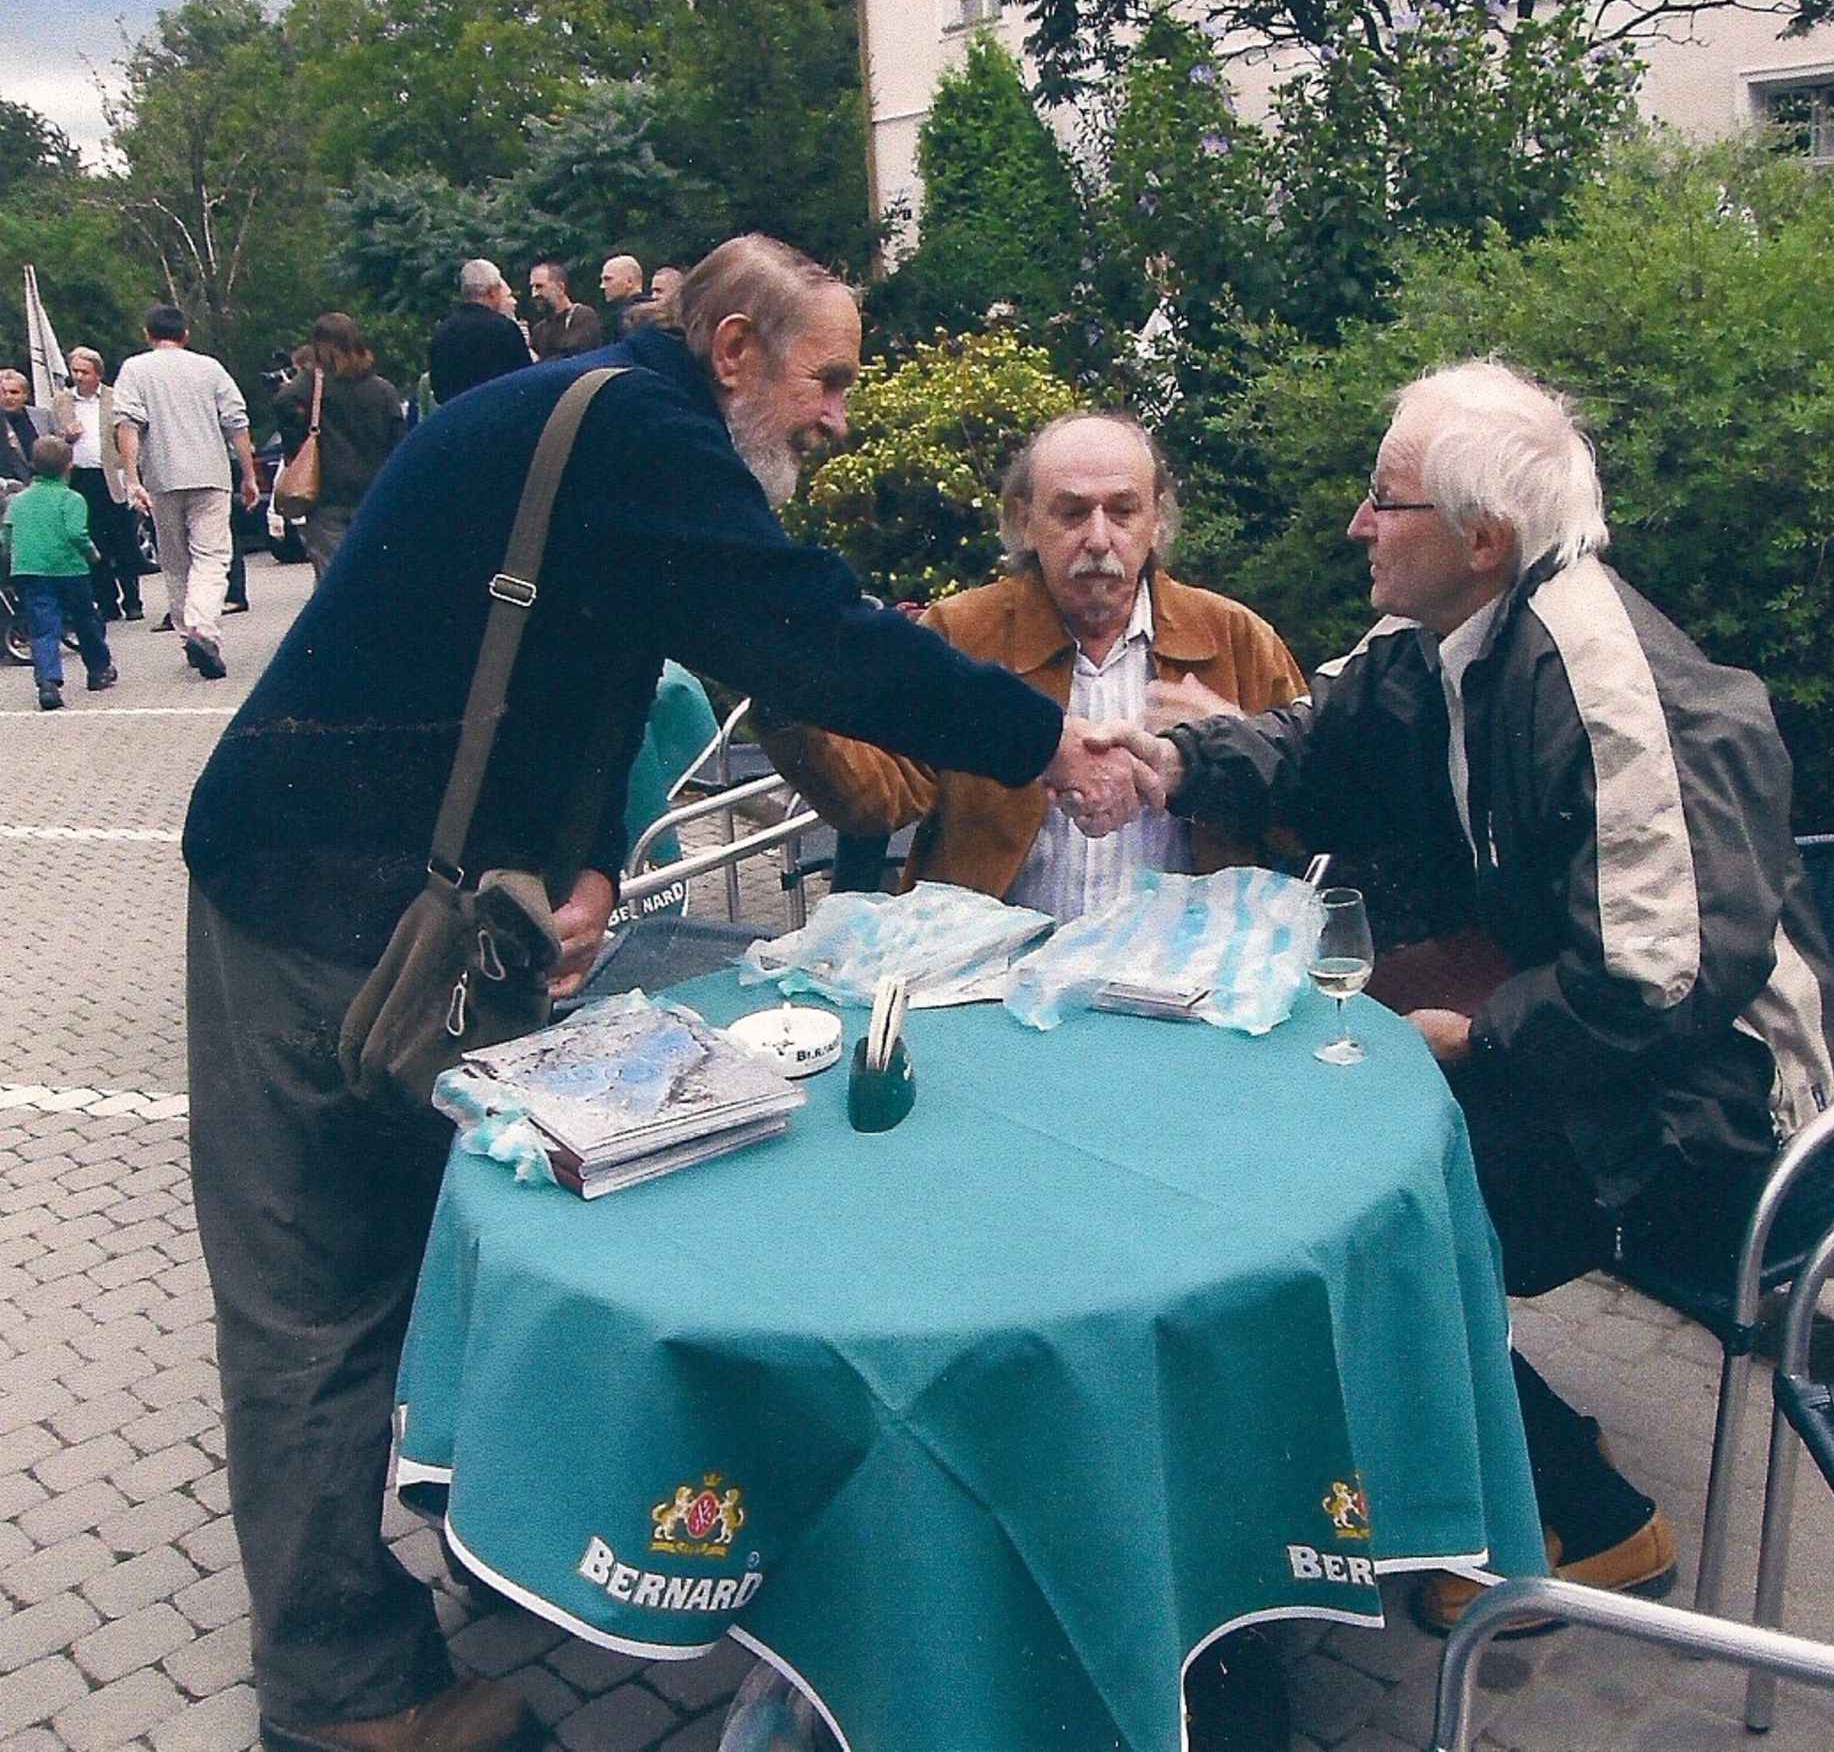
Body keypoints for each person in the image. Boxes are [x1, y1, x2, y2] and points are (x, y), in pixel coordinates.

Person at [179, 232, 1154, 1752]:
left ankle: (501, 1544)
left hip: (386, 896)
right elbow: (815, 640)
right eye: (828, 379)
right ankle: (342, 1696)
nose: (839, 414)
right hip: (311, 909)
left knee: (462, 1242)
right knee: (317, 1306)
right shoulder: (643, 432)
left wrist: (577, 860)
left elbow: (584, 663)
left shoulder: (598, 422)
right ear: (735, 351)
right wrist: (1047, 742)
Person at [1102, 359, 1834, 1628]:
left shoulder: (1607, 686)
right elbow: (1319, 740)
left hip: (1714, 1106)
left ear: (1483, 537)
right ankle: (1510, 1439)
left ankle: (1585, 1519)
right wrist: (1177, 760)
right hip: (1597, 1038)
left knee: (1350, 1203)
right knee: (1301, 1145)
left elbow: (1656, 976)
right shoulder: (1443, 637)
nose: (1357, 524)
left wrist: (1482, 1037)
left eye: (1383, 500)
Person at [762, 411, 1308, 919]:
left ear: (1157, 519)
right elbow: (878, 796)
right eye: (1072, 513)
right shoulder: (961, 632)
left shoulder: (1234, 639)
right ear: (1025, 521)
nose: (1099, 539)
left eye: (1123, 511)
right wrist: (783, 689)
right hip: (995, 970)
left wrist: (1230, 743)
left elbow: (1309, 819)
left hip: (1186, 971)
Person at [112, 304, 259, 681]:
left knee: (176, 561)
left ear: (148, 334)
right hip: (211, 474)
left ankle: (187, 632)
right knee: (212, 557)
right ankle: (202, 628)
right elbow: (236, 422)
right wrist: (248, 475)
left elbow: (127, 425)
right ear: (186, 334)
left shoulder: (135, 369)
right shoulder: (210, 368)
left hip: (162, 477)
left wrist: (133, 478)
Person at [274, 312, 409, 576]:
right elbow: (399, 443)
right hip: (375, 496)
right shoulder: (383, 390)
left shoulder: (311, 387)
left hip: (327, 496)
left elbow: (282, 402)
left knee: (333, 576)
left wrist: (295, 450)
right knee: (376, 573)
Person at [5, 434, 114, 709]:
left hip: (31, 570)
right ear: (69, 465)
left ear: (32, 464)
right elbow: (77, 533)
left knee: (43, 626)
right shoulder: (71, 499)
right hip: (69, 569)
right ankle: (99, 670)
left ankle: (48, 682)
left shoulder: (18, 500)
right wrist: (92, 553)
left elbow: (6, 535)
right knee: (86, 619)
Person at [52, 348, 144, 620]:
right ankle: (106, 601)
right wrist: (66, 437)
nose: (79, 377)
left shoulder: (114, 398)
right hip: (80, 477)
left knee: (123, 540)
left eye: (85, 372)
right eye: (75, 371)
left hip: (111, 477)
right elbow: (52, 437)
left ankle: (132, 600)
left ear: (98, 374)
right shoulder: (61, 402)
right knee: (91, 540)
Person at [426, 259, 533, 405]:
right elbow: (525, 380)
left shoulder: (442, 332)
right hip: (498, 411)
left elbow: (438, 390)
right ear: (492, 292)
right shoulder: (504, 329)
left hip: (457, 414)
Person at [525, 259, 602, 360]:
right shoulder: (539, 330)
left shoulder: (583, 316)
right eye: (532, 287)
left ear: (560, 288)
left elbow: (575, 354)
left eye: (540, 286)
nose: (534, 294)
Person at [0, 367, 56, 482]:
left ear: (25, 394)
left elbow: (59, 448)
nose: (8, 397)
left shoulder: (43, 415)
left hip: (46, 481)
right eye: (3, 393)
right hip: (10, 484)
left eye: (14, 392)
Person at [598, 252, 649, 340]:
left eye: (608, 279)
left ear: (629, 281)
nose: (602, 286)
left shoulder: (625, 318)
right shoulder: (657, 313)